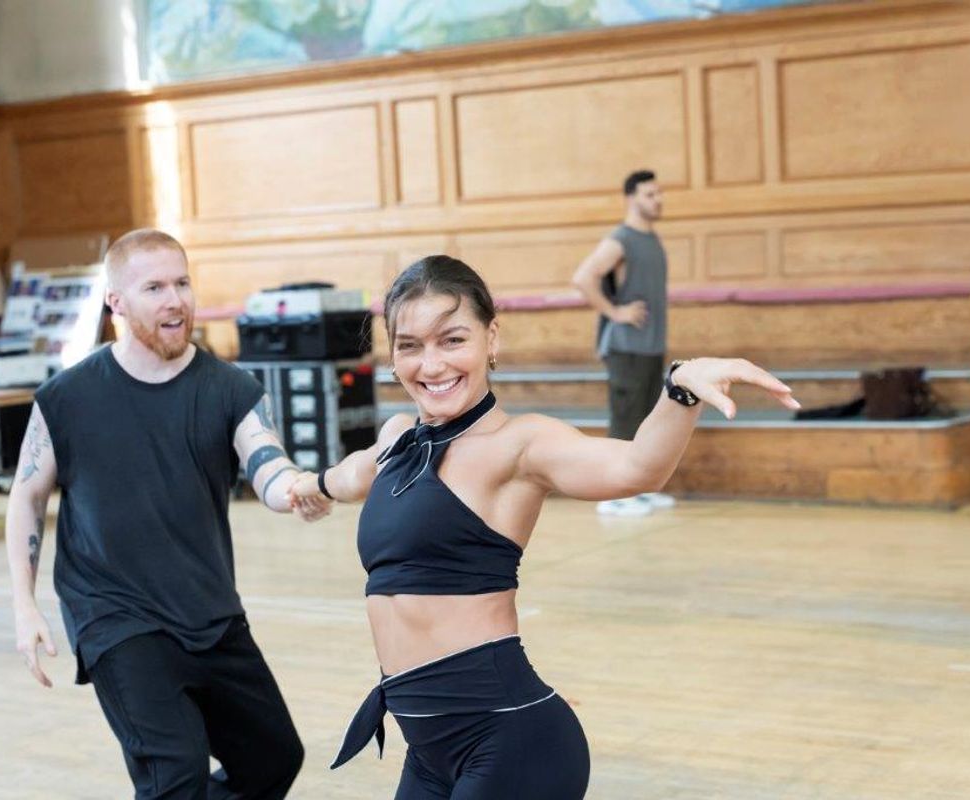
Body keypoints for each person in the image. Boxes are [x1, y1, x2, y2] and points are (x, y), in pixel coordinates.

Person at [289, 255, 799, 799]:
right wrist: (311, 487)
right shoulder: (397, 439)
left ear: (492, 338)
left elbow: (637, 467)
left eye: (452, 340)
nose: (431, 365)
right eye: (410, 345)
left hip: (509, 741)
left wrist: (681, 390)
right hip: (429, 751)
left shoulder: (520, 445)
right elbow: (350, 476)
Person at [5, 228, 328, 799]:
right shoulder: (67, 398)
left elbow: (267, 460)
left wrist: (299, 487)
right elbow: (27, 497)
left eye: (181, 282)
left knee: (275, 758)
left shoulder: (231, 389)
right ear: (117, 304)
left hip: (208, 609)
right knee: (174, 772)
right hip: (117, 618)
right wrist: (24, 603)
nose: (174, 299)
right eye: (154, 287)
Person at [571, 169, 674, 516]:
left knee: (647, 423)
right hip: (626, 346)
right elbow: (583, 278)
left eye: (659, 193)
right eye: (649, 194)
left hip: (650, 346)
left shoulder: (652, 239)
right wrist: (615, 312)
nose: (657, 199)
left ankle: (639, 489)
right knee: (625, 421)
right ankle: (613, 496)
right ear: (631, 198)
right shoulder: (621, 239)